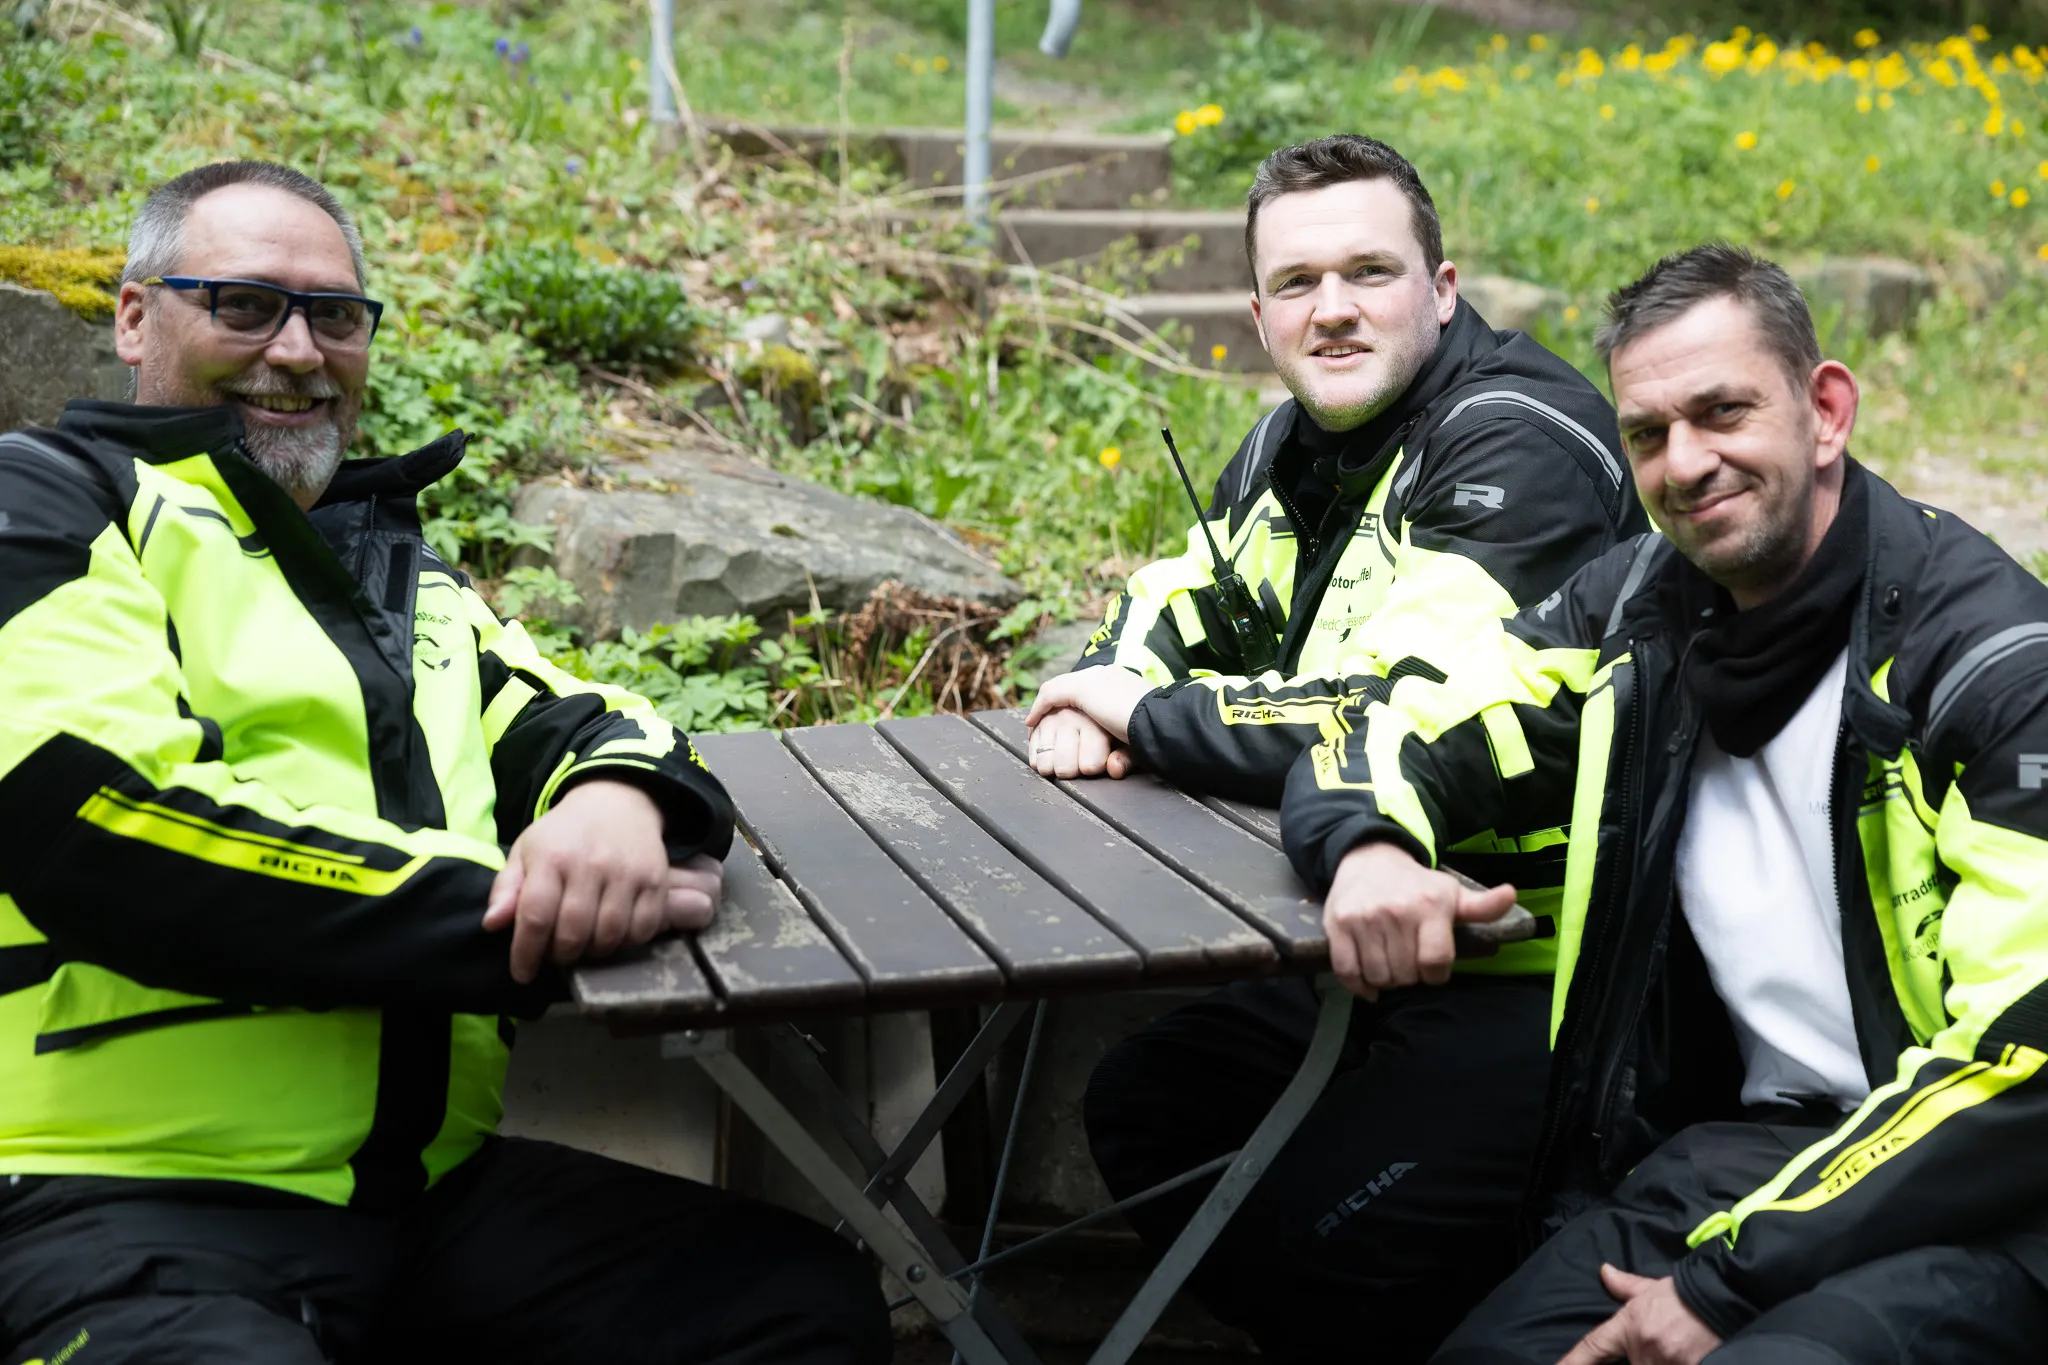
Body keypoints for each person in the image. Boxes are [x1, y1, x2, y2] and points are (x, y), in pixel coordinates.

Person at [0, 160, 889, 1365]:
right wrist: (516, 917)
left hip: (423, 1201)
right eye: (247, 306)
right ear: (133, 317)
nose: (301, 351)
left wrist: (616, 802)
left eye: (336, 316)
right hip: (118, 1198)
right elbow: (92, 820)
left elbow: (592, 719)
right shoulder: (49, 508)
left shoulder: (397, 583)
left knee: (793, 1306)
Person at [1283, 242, 2048, 1364]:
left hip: (1980, 1188)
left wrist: (1730, 1282)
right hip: (1757, 1144)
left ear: (1824, 409)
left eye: (1721, 412)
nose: (1684, 462)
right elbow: (1387, 721)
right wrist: (1366, 846)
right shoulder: (1640, 611)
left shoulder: (1986, 662)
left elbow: (2025, 1053)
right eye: (1646, 433)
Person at [1023, 134, 1647, 1362]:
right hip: (1353, 937)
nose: (1334, 311)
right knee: (1146, 1109)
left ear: (1442, 288)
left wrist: (1139, 718)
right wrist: (1102, 685)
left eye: (1369, 273)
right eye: (1299, 284)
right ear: (1258, 317)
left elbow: (1395, 701)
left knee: (1321, 1233)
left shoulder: (1517, 443)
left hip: (1539, 970)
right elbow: (1166, 598)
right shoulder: (1288, 445)